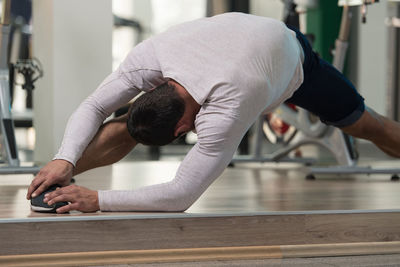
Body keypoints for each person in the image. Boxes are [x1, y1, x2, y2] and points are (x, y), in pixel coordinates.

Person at [26, 12, 400, 213]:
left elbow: (180, 196)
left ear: (187, 125)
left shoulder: (227, 106)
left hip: (297, 64)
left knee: (369, 126)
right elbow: (94, 105)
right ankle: (59, 182)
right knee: (132, 128)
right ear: (152, 88)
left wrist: (99, 200)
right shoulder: (149, 60)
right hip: (246, 52)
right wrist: (64, 157)